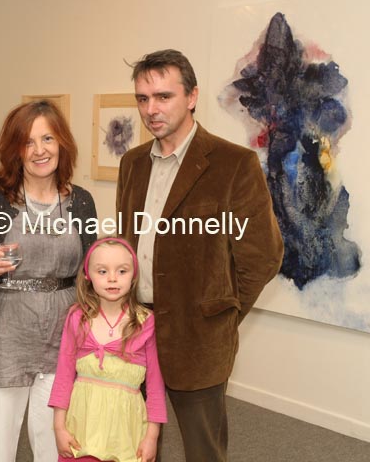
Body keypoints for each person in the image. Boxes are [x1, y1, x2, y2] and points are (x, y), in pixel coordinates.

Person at [116, 49, 284, 461]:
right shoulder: (132, 163)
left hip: (199, 337)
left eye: (163, 96)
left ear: (191, 96)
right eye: (142, 98)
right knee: (132, 443)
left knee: (203, 449)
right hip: (134, 329)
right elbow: (126, 242)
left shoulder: (233, 163)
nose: (151, 109)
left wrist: (222, 311)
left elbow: (262, 255)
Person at [0, 100, 97, 462]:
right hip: (5, 335)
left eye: (48, 138)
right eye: (28, 142)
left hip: (63, 335)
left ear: (62, 143)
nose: (39, 150)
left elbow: (91, 273)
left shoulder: (81, 202)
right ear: (14, 150)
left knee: (57, 442)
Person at [49, 237, 167, 462]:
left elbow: (155, 386)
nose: (112, 278)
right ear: (87, 275)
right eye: (102, 271)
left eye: (122, 271)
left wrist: (152, 437)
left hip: (126, 430)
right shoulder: (77, 318)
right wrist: (59, 427)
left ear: (133, 276)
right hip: (82, 425)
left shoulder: (146, 322)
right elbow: (63, 377)